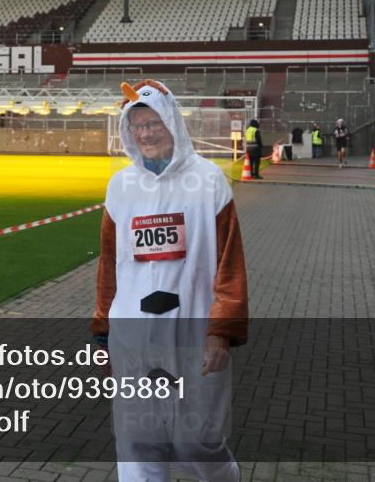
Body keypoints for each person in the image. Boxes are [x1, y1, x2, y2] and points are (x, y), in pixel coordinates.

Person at [92, 79, 249, 482]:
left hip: (191, 334)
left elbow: (230, 265)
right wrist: (103, 332)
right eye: (137, 126)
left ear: (172, 123)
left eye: (153, 123)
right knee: (137, 442)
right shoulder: (120, 187)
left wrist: (222, 332)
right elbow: (109, 266)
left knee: (196, 441)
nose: (145, 133)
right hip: (133, 335)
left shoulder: (209, 181)